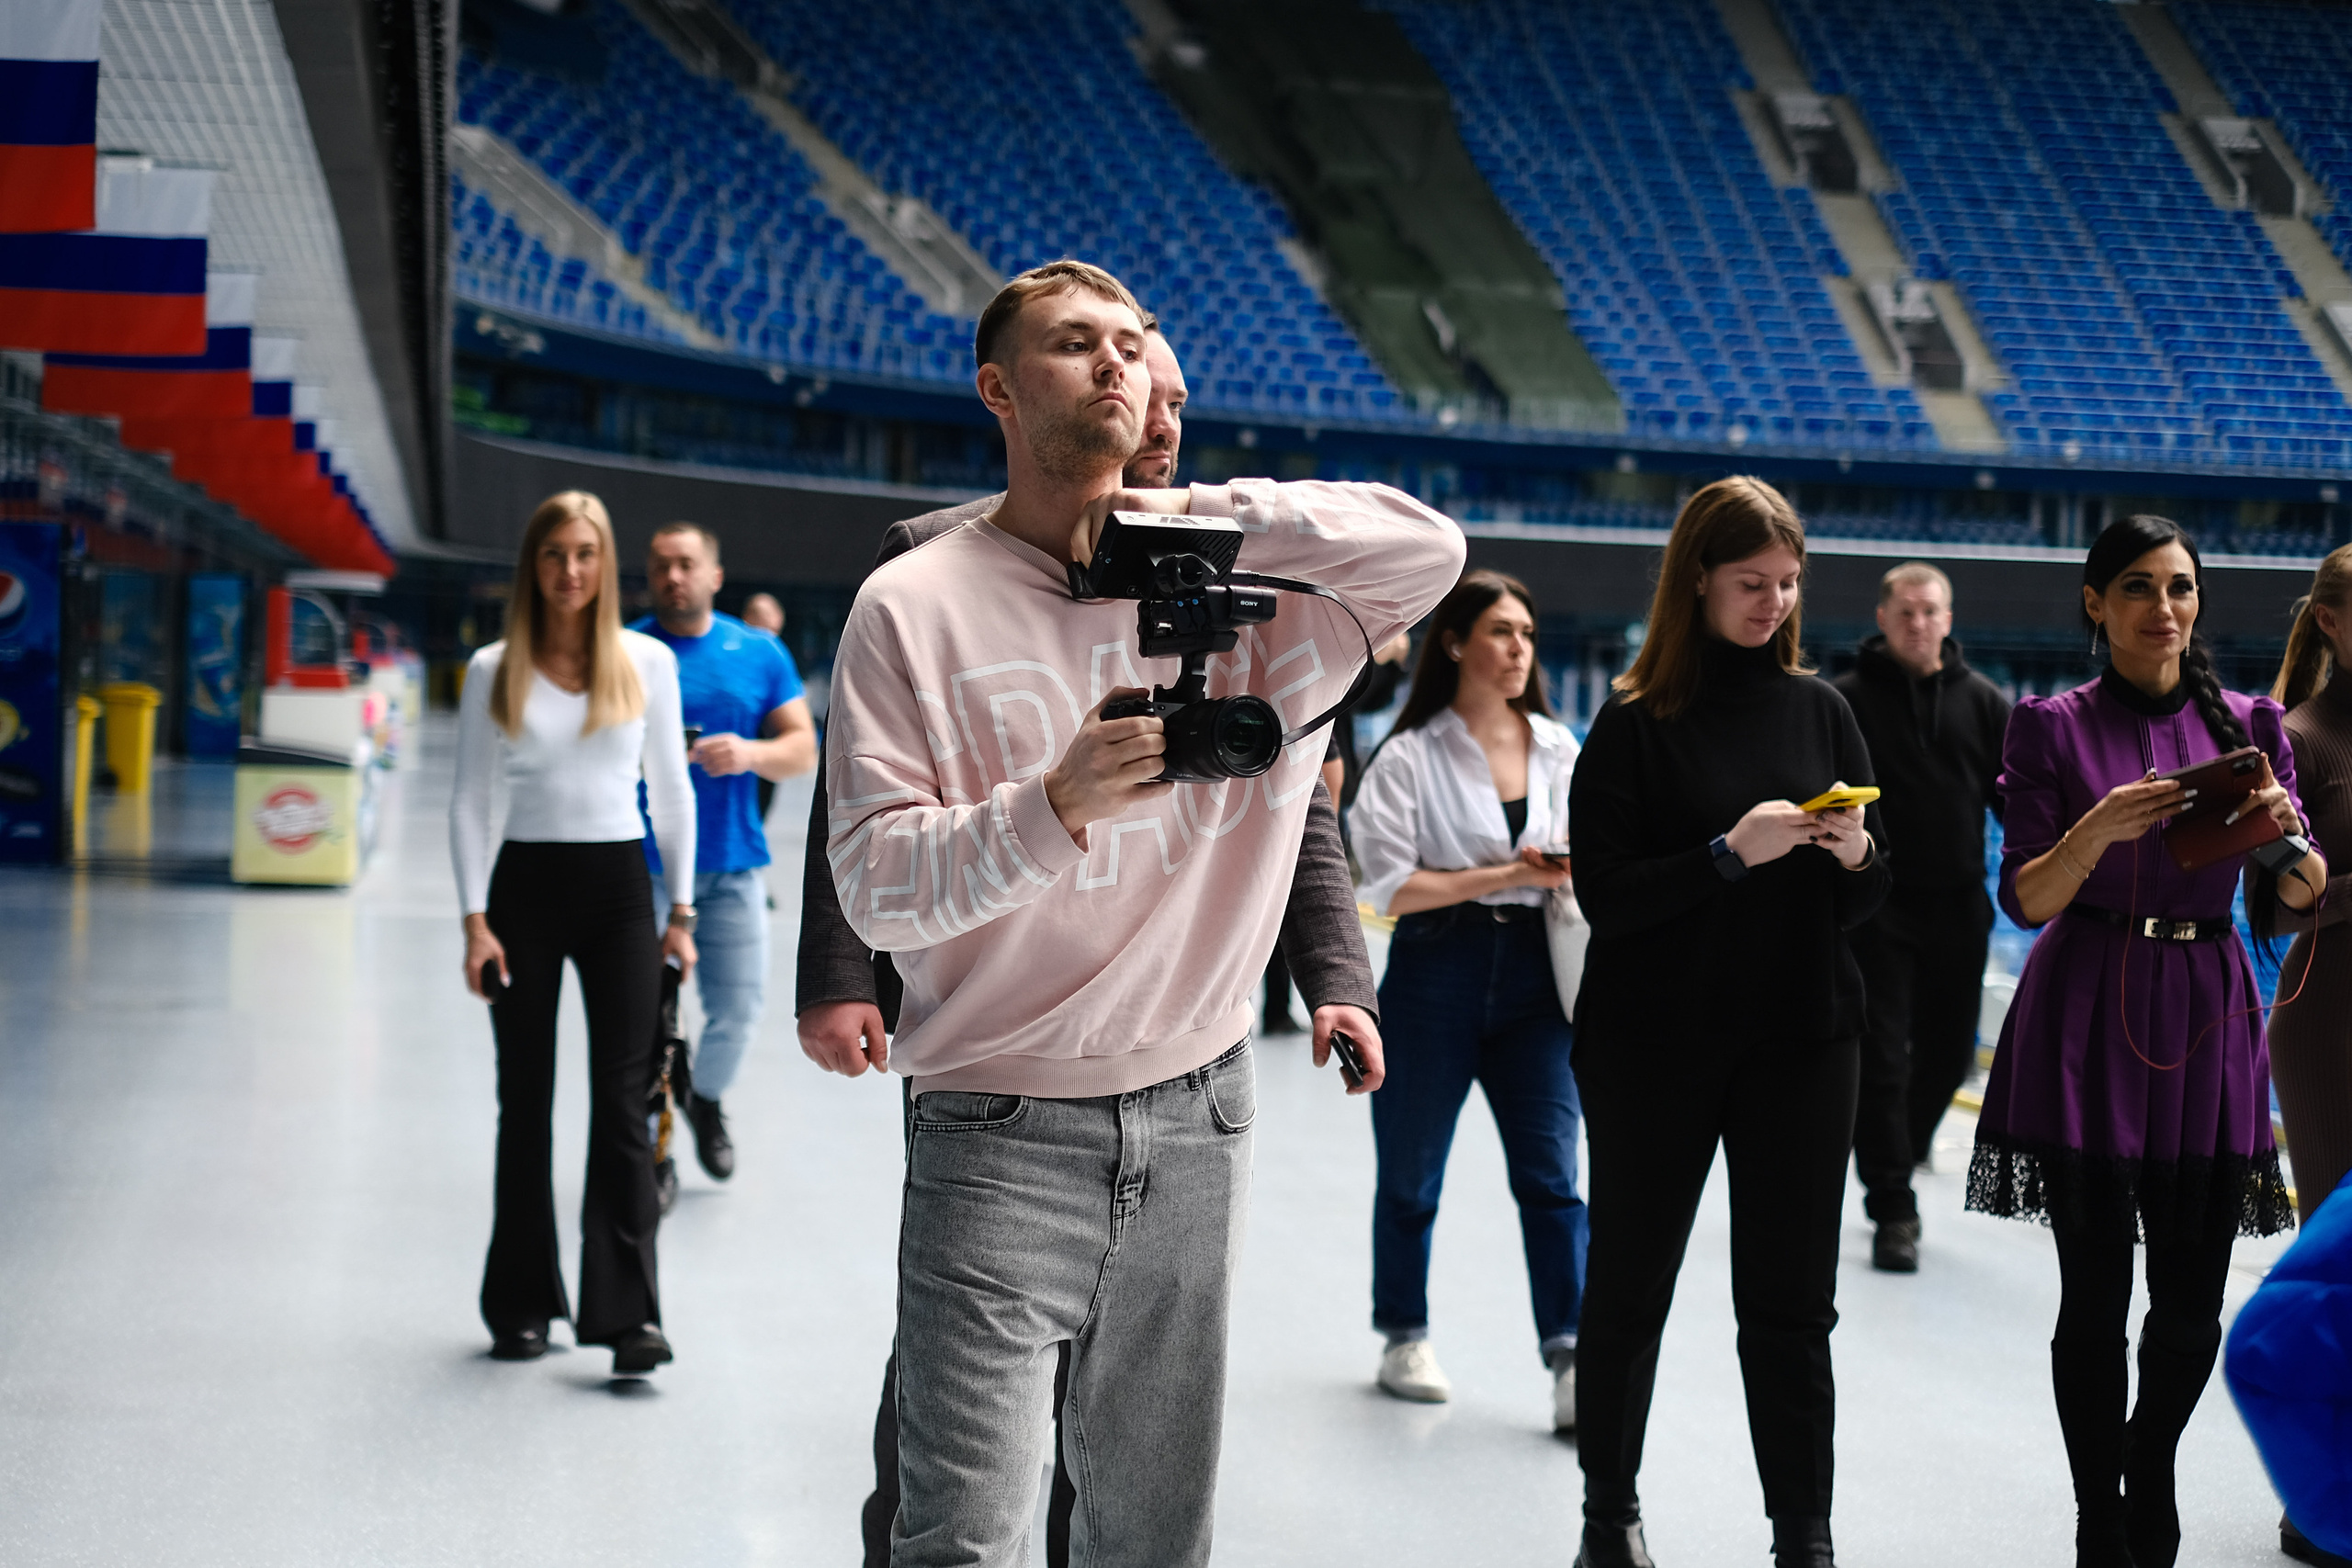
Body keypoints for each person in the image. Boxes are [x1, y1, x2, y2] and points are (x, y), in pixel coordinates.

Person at [822, 259, 1459, 1567]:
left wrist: (1180, 516)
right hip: (995, 1117)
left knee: (1155, 1533)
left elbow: (1428, 547)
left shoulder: (1267, 594)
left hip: (1198, 1113)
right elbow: (877, 879)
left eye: (1132, 347)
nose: (1114, 366)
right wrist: (1050, 804)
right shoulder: (913, 600)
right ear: (999, 388)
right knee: (963, 1533)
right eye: (1074, 345)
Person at [1968, 514, 2321, 1568]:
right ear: (2094, 603)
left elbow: (2299, 900)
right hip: (2084, 1001)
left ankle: (2146, 1464)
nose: (2160, 607)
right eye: (2135, 587)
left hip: (2207, 1005)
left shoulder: (2254, 722)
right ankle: (2097, 1514)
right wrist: (2097, 829)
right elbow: (2025, 898)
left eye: (2177, 587)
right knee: (2093, 1299)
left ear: (2196, 602)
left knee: (2188, 1306)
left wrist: (2282, 832)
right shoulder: (2049, 725)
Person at [1567, 476, 1889, 1568]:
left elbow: (1865, 899)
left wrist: (1854, 856)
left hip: (1803, 1037)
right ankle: (1608, 1516)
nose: (1773, 603)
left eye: (1788, 584)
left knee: (1794, 1308)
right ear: (1695, 580)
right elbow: (1608, 899)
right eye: (1751, 583)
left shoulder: (1823, 710)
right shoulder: (1630, 724)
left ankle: (1804, 1536)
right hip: (1654, 1044)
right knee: (1629, 1284)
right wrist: (1725, 855)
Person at [448, 490, 697, 1376]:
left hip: (620, 893)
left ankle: (629, 1316)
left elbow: (672, 789)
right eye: (555, 554)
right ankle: (519, 1302)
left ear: (605, 563)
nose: (570, 571)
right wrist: (475, 921)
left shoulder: (646, 662)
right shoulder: (493, 666)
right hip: (522, 893)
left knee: (624, 1104)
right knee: (526, 1102)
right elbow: (472, 799)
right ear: (534, 565)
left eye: (586, 554)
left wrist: (682, 912)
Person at [1350, 570, 1587, 1429]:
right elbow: (1389, 887)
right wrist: (1509, 871)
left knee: (1554, 1177)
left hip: (1537, 976)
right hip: (1435, 969)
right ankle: (1402, 1332)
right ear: (1455, 643)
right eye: (1501, 631)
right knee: (1411, 1172)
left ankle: (1570, 1355)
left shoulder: (1563, 748)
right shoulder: (1409, 754)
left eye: (1527, 632)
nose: (1520, 647)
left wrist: (1561, 871)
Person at [1830, 562, 2011, 1271]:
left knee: (1948, 1057)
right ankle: (1893, 1207)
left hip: (1961, 901)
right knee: (1881, 1057)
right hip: (1877, 902)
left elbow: (2013, 806)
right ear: (1882, 617)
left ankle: (1891, 1151)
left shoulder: (1986, 703)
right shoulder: (1842, 701)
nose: (1917, 623)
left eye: (1929, 611)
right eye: (1904, 611)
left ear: (1948, 617)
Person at [631, 523, 815, 1194]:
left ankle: (703, 1096)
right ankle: (653, 1148)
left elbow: (802, 748)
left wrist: (749, 753)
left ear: (714, 575)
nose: (672, 576)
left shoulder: (758, 651)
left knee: (739, 1009)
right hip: (641, 866)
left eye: (685, 564)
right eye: (659, 566)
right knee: (644, 1018)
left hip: (733, 863)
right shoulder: (625, 648)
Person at [2267, 542, 2352, 1224]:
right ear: (2329, 620)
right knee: (2339, 1259)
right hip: (2333, 1026)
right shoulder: (2295, 740)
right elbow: (2271, 911)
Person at [739, 592, 789, 824]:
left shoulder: (778, 656)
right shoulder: (735, 652)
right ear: (748, 619)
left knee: (760, 807)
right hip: (742, 739)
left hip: (769, 742)